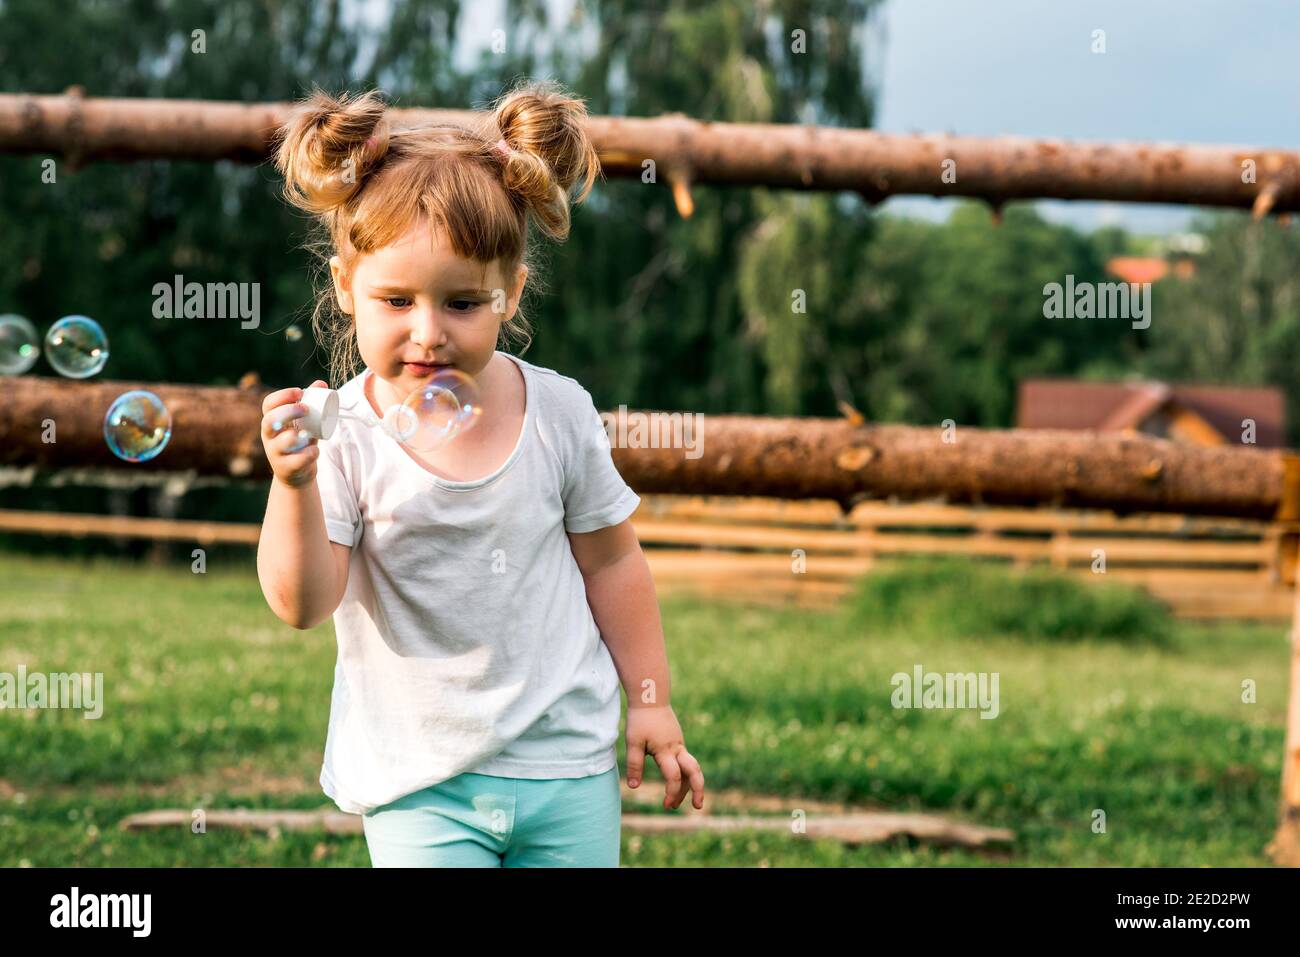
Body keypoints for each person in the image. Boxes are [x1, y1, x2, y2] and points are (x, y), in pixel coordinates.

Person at [255, 81, 705, 867]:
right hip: (419, 780)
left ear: (512, 293)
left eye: (462, 303)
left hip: (566, 765)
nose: (427, 332)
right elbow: (302, 605)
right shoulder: (346, 434)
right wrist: (293, 485)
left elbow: (613, 561)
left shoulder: (560, 412)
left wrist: (652, 701)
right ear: (344, 288)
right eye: (395, 299)